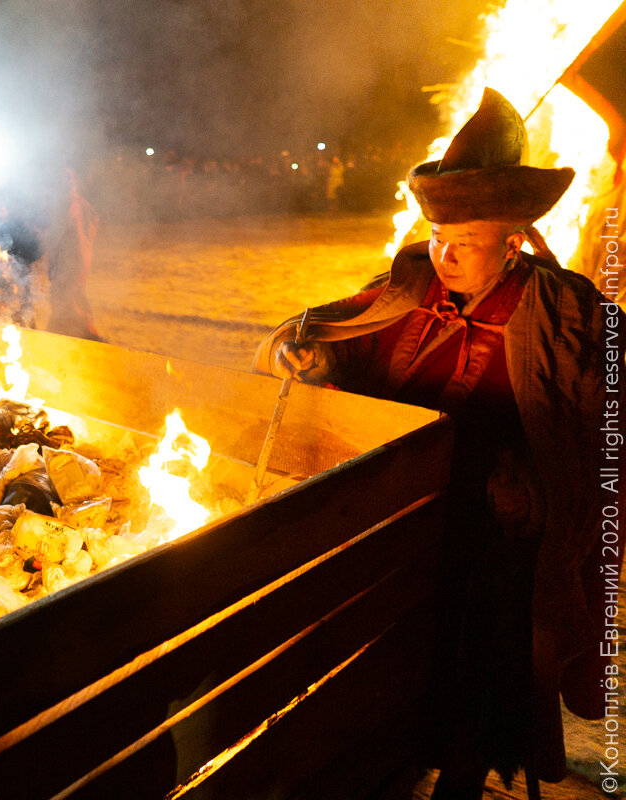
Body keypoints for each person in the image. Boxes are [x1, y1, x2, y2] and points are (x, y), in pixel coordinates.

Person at [254, 89, 610, 798]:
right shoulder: (409, 282)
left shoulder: (569, 315)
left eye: (466, 244)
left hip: (492, 539)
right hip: (396, 525)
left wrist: (538, 498)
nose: (444, 255)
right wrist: (311, 356)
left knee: (477, 666)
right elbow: (338, 338)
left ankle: (463, 776)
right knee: (378, 673)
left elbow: (598, 443)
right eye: (439, 236)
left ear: (513, 244)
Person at [46, 168, 103, 341]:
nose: (68, 183)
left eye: (69, 179)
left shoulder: (75, 207)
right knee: (68, 306)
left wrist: (71, 267)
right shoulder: (76, 205)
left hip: (70, 268)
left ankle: (91, 341)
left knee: (69, 309)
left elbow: (76, 239)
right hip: (72, 267)